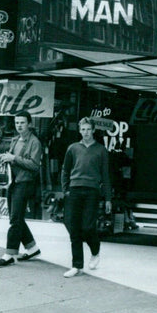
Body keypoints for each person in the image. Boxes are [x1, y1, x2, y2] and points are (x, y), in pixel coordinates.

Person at [60, 117, 112, 278]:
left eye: (88, 129)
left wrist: (108, 198)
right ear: (79, 130)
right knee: (73, 228)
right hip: (74, 190)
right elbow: (65, 170)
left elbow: (105, 175)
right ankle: (77, 266)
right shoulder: (73, 148)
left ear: (93, 130)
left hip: (92, 191)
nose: (86, 132)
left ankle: (95, 251)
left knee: (88, 227)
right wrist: (65, 190)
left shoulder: (101, 150)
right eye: (83, 129)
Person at [0, 111, 43, 267]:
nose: (19, 125)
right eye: (17, 123)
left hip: (25, 183)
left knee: (15, 219)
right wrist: (6, 157)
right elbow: (14, 159)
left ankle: (9, 254)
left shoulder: (35, 142)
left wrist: (14, 158)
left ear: (29, 123)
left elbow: (35, 165)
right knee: (16, 218)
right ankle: (32, 247)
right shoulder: (15, 140)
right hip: (13, 182)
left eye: (22, 122)